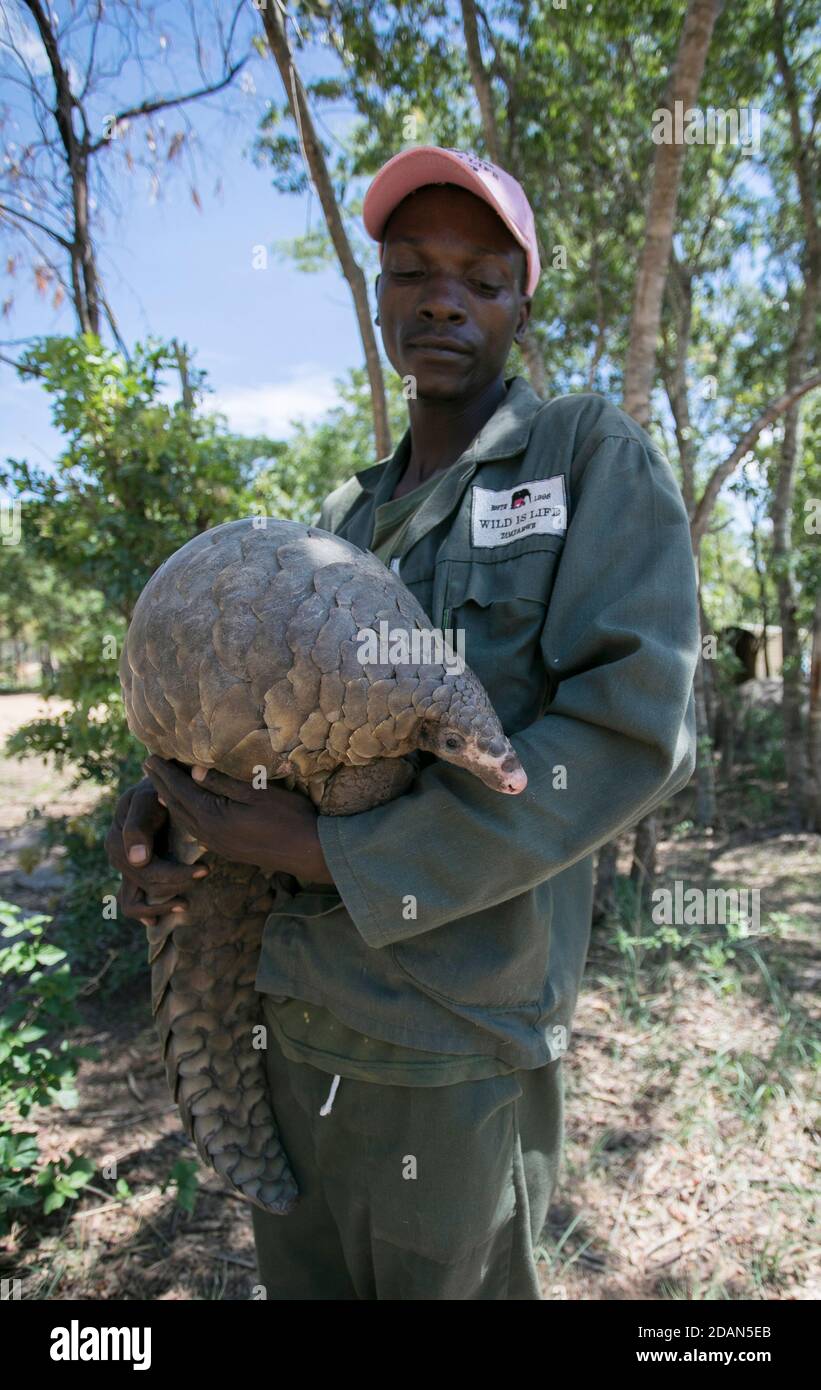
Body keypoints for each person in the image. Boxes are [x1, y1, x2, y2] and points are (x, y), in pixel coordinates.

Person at [106, 146, 699, 1300]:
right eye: (412, 269)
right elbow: (254, 735)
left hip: (449, 1043)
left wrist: (344, 855)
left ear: (522, 299)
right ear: (377, 292)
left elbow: (631, 734)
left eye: (480, 276)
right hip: (288, 1023)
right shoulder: (336, 520)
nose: (442, 297)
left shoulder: (585, 460)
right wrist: (169, 810)